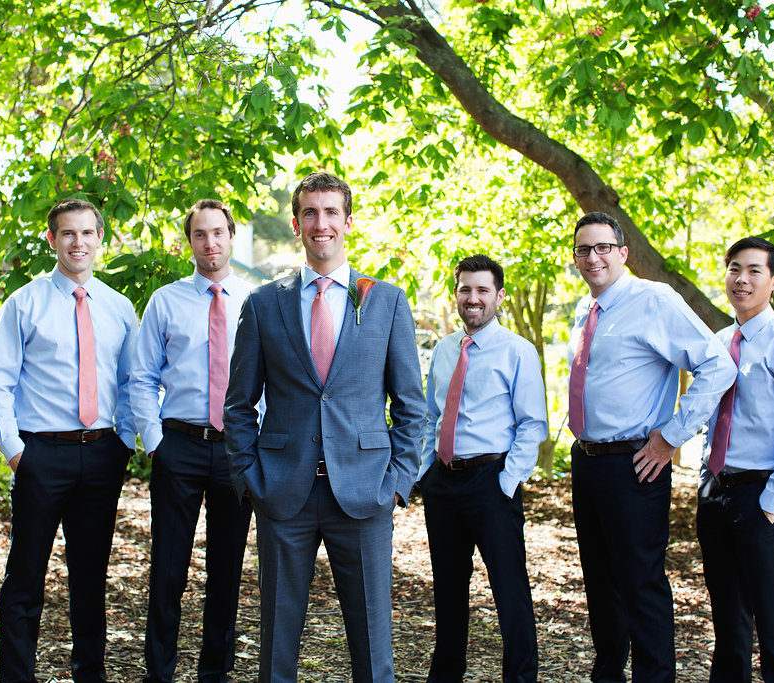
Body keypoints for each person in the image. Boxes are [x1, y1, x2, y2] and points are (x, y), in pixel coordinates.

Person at [224, 171, 426, 682]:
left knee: (372, 643)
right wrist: (250, 478)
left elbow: (410, 405)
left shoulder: (386, 301)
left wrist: (397, 484)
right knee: (276, 644)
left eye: (331, 212)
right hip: (282, 490)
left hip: (364, 493)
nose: (321, 223)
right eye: (310, 213)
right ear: (296, 224)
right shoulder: (264, 303)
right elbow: (239, 404)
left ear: (348, 222)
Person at [567, 211, 735, 682]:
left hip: (636, 465)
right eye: (584, 249)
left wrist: (670, 437)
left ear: (623, 253)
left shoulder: (653, 300)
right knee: (600, 585)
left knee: (641, 585)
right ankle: (609, 675)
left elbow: (718, 367)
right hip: (589, 462)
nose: (593, 256)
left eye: (603, 247)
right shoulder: (585, 309)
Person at [0, 198, 138, 683]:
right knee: (26, 574)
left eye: (87, 233)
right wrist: (15, 452)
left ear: (100, 238)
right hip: (40, 454)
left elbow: (134, 381)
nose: (78, 242)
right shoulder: (23, 303)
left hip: (102, 453)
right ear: (52, 240)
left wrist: (126, 443)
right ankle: (17, 676)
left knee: (90, 577)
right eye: (67, 234)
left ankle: (89, 674)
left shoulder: (119, 307)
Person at [130, 199, 254, 682]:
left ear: (231, 236)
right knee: (168, 569)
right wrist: (157, 442)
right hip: (178, 446)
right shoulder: (166, 300)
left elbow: (267, 379)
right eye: (200, 234)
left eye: (219, 233)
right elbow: (141, 377)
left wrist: (255, 440)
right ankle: (158, 673)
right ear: (190, 242)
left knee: (226, 571)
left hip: (234, 450)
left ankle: (214, 673)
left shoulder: (254, 301)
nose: (211, 243)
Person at [696, 237, 774, 682]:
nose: (742, 279)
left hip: (765, 494)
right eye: (734, 269)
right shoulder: (715, 343)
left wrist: (771, 502)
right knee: (728, 621)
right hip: (715, 492)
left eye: (754, 271)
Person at [418, 254, 545, 682]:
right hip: (443, 485)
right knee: (448, 594)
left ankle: (521, 677)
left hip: (492, 482)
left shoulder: (517, 351)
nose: (473, 299)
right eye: (465, 290)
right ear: (456, 294)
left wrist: (506, 482)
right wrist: (424, 473)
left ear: (499, 296)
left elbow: (533, 424)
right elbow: (431, 416)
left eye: (482, 291)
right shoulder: (444, 349)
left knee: (510, 593)